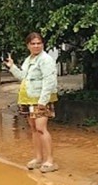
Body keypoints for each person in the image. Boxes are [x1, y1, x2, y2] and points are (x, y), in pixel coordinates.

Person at [4, 31, 59, 173]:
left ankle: (50, 160)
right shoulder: (29, 60)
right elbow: (23, 76)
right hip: (27, 98)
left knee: (41, 128)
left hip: (40, 98)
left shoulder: (46, 60)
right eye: (33, 43)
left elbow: (49, 80)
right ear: (28, 45)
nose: (36, 46)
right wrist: (12, 66)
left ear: (43, 44)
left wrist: (43, 101)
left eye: (39, 43)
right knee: (34, 129)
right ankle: (38, 158)